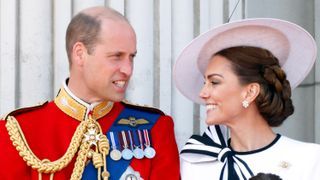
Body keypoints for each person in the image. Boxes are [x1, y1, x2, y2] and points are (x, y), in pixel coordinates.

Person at [0, 6, 180, 180]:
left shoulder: (154, 127)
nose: (128, 69)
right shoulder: (18, 131)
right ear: (80, 54)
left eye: (131, 57)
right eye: (116, 56)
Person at [173, 18, 320, 179]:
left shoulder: (309, 160)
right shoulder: (193, 164)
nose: (202, 93)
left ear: (250, 92)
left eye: (214, 82)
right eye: (204, 82)